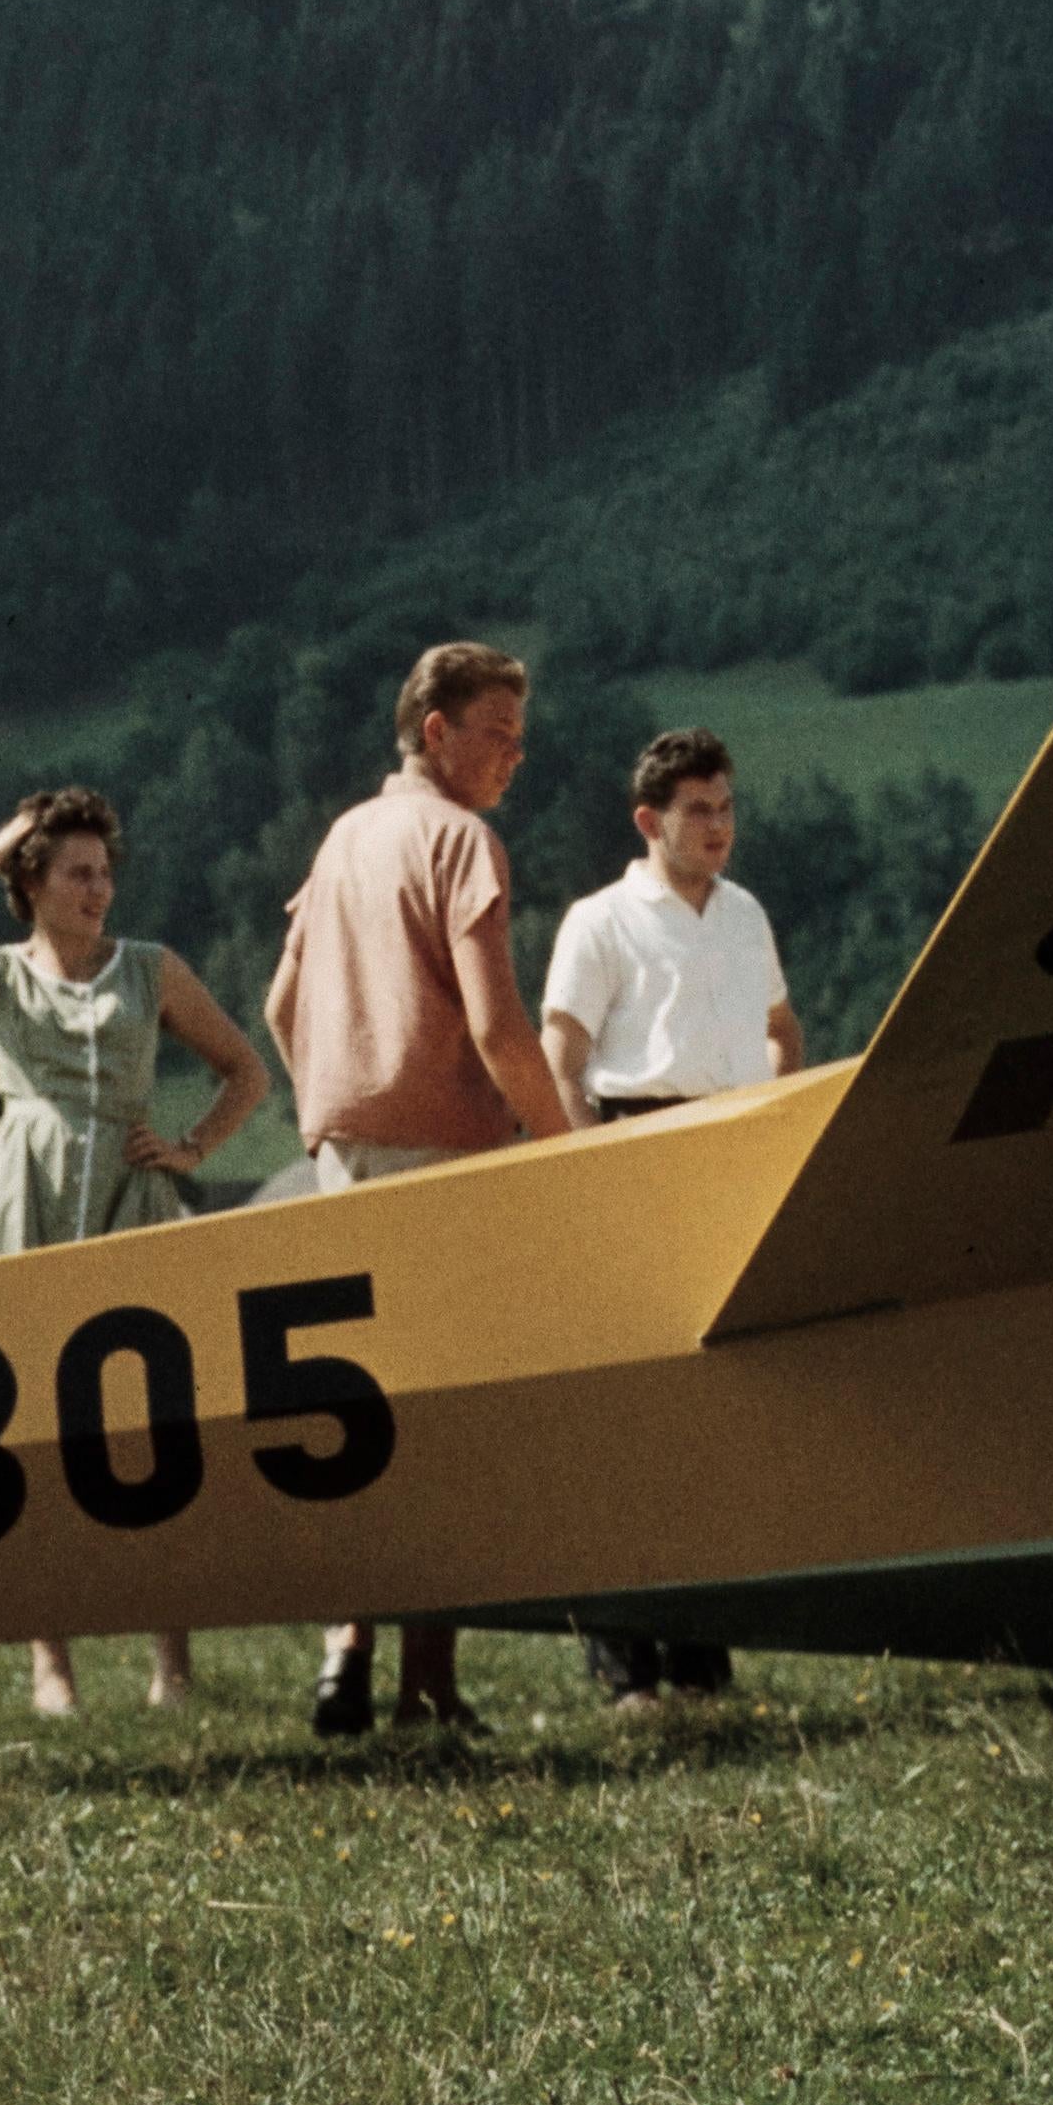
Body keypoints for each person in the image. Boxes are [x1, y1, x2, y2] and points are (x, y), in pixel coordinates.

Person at [0, 782, 268, 1717]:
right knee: (22, 1433)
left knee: (153, 1428)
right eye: (75, 874)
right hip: (22, 1196)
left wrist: (190, 1148)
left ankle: (171, 1663)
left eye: (104, 874)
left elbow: (245, 1069)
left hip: (131, 1196)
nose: (96, 891)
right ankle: (51, 1662)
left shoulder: (150, 969)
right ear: (33, 883)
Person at [266, 640, 574, 1739]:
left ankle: (344, 1646)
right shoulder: (460, 840)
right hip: (445, 1161)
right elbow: (498, 1029)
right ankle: (425, 1687)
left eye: (520, 740)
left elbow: (278, 1001)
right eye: (496, 734)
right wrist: (570, 1144)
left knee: (367, 1420)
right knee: (451, 1431)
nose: (513, 759)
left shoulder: (345, 836)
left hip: (344, 1158)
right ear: (434, 731)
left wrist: (334, 1098)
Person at [537, 726, 802, 1703]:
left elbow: (780, 1031)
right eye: (698, 809)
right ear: (650, 820)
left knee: (714, 1410)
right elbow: (558, 1058)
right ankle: (623, 1667)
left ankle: (702, 1659)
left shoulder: (743, 915)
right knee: (627, 1419)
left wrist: (772, 1129)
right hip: (631, 1146)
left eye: (726, 806)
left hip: (730, 1149)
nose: (718, 825)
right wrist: (594, 1170)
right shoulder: (600, 921)